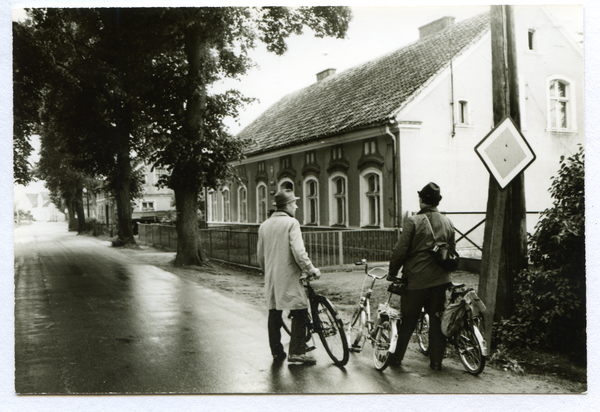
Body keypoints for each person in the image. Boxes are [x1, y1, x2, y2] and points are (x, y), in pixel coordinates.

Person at [386, 182, 456, 371]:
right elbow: (451, 251)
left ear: (421, 200)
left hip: (416, 281)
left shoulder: (413, 221)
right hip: (441, 281)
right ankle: (436, 362)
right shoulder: (448, 222)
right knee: (436, 320)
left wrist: (392, 272)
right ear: (437, 202)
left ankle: (397, 358)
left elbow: (400, 251)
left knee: (408, 320)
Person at [257, 189, 322, 365]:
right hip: (289, 276)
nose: (297, 206)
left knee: (274, 312)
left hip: (271, 278)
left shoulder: (264, 225)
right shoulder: (291, 223)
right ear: (286, 205)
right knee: (300, 310)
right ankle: (297, 352)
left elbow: (260, 257)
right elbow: (299, 252)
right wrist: (310, 269)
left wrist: (268, 272)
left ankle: (277, 352)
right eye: (294, 203)